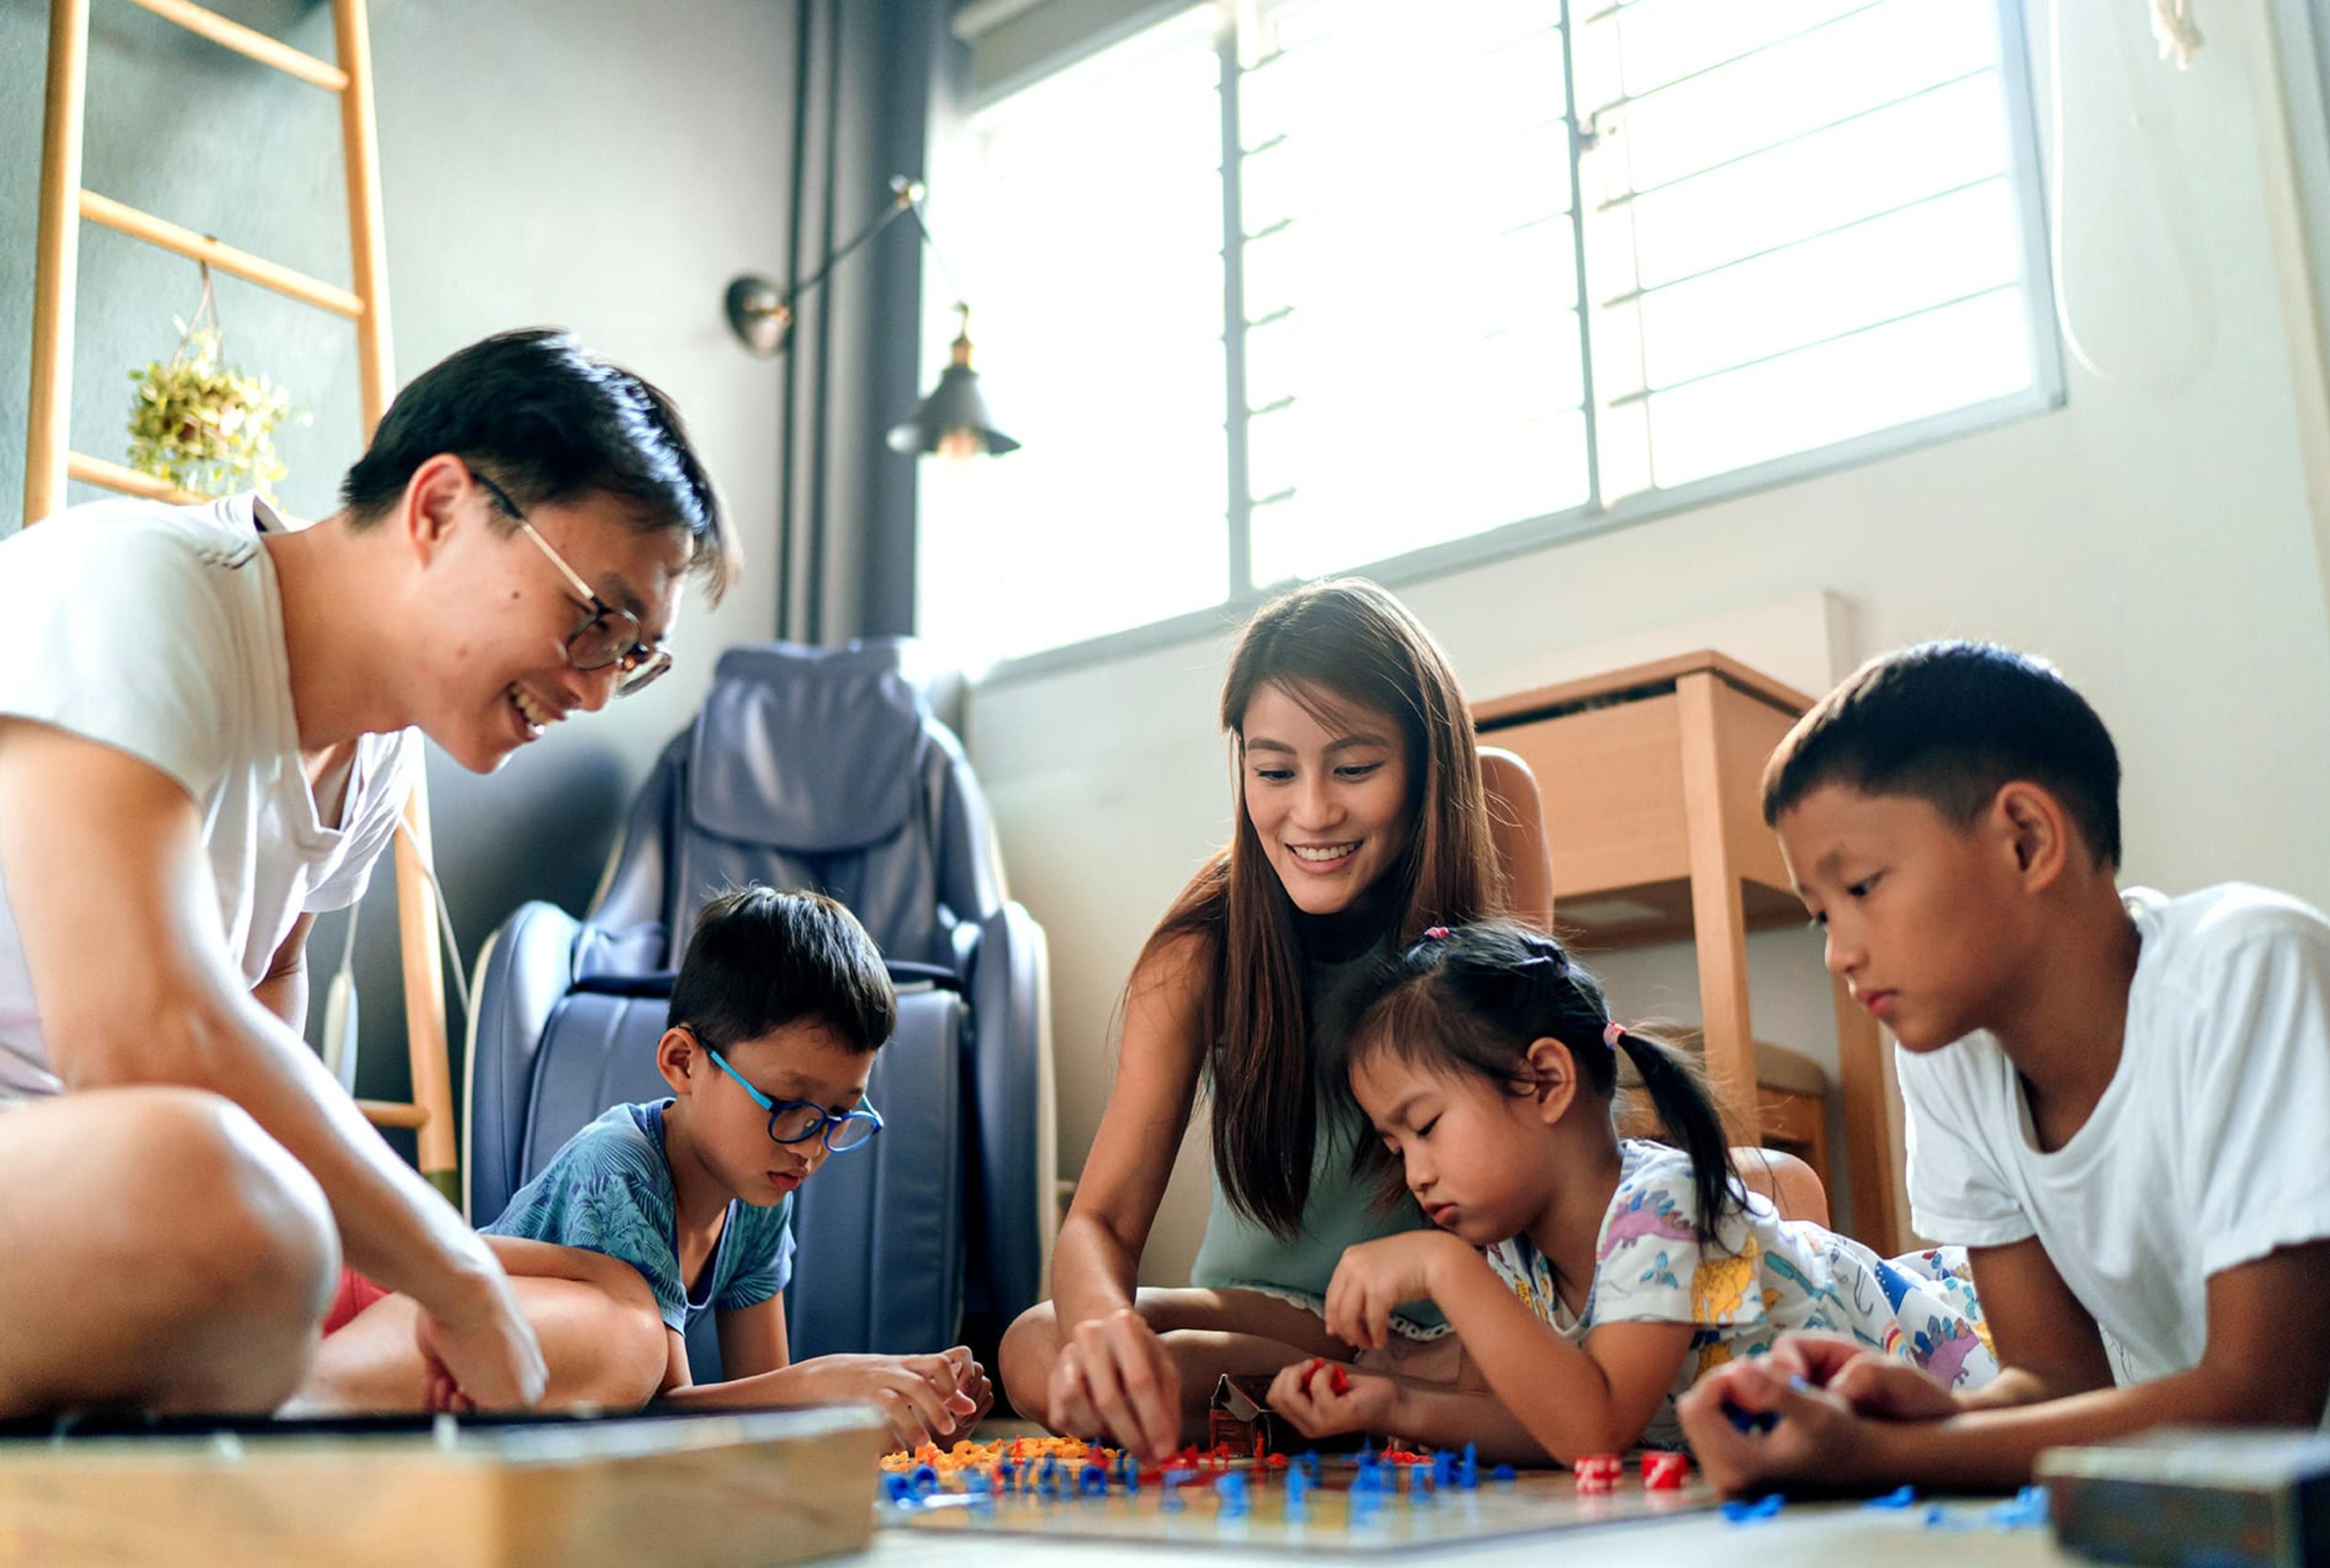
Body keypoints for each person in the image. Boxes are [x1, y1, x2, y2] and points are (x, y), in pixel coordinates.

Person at [0, 328, 735, 1417]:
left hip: (130, 1198)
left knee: (615, 1322)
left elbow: (264, 992)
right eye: (595, 617)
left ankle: (263, 1387)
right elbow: (141, 1036)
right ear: (438, 508)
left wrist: (434, 1275)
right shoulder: (141, 591)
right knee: (222, 1199)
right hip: (91, 1174)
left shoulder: (376, 752)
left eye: (630, 655)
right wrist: (443, 1271)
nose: (590, 692)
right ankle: (252, 1377)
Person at [998, 577, 1825, 1459]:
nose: (1311, 811)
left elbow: (1529, 1094)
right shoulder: (1200, 948)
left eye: (1355, 768)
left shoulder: (1493, 808)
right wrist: (1101, 1335)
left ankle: (1351, 1401)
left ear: (1428, 758)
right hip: (1289, 1313)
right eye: (1273, 771)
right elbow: (1105, 1222)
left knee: (1786, 1189)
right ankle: (1361, 1396)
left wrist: (1461, 1281)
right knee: (1038, 1349)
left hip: (1490, 1287)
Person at [1679, 640, 2330, 1495]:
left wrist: (1886, 1459)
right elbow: (2058, 1380)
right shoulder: (1950, 1051)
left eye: (1862, 887)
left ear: (2027, 840)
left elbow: (2261, 1404)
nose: (1838, 953)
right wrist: (1911, 1417)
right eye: (1820, 916)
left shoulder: (2250, 970)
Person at [1264, 920, 1995, 1463]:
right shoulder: (1512, 1250)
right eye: (1396, 1147)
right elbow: (1547, 1420)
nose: (1415, 1170)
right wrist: (1396, 1402)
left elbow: (1596, 1426)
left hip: (1958, 1366)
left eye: (1425, 1126)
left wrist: (1441, 1267)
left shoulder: (1662, 1204)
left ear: (1546, 1081)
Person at [303, 887, 994, 1444]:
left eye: (841, 1115)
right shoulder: (622, 1171)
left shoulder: (761, 1187)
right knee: (632, 1333)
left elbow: (764, 1400)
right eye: (790, 1104)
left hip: (462, 1370)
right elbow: (662, 1407)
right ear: (683, 1061)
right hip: (378, 1315)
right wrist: (834, 1381)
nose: (812, 1145)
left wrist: (895, 1409)